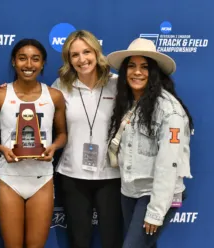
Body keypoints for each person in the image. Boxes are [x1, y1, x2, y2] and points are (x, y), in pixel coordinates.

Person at [106, 38, 193, 248]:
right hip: (129, 190)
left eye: (144, 67)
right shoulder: (127, 102)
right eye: (132, 66)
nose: (137, 72)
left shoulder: (169, 110)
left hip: (156, 193)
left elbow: (168, 164)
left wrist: (155, 212)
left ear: (154, 73)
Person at [0, 38, 67, 248]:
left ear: (43, 63)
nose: (29, 65)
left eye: (35, 59)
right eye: (22, 58)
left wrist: (54, 147)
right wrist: (1, 148)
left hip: (42, 179)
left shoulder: (54, 96)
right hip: (10, 179)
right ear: (13, 62)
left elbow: (63, 134)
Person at [51, 30, 123, 248]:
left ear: (96, 52)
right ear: (69, 59)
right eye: (75, 55)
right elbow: (35, 104)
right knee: (78, 240)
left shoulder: (117, 84)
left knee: (112, 239)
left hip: (111, 174)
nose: (82, 60)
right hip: (73, 175)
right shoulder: (60, 86)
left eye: (86, 52)